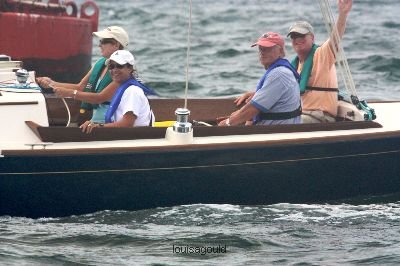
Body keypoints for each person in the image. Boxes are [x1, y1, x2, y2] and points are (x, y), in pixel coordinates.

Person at [36, 26, 130, 123]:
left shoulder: (123, 71)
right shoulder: (100, 63)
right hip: (95, 121)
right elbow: (80, 87)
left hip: (111, 123)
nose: (99, 45)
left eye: (103, 42)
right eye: (100, 42)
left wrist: (69, 93)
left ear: (116, 45)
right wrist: (52, 83)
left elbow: (100, 98)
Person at [287, 0, 353, 123]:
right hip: (302, 113)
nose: (297, 40)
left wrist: (343, 14)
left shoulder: (321, 54)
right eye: (294, 37)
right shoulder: (295, 65)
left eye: (301, 36)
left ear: (312, 38)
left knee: (282, 123)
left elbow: (335, 38)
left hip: (320, 116)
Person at [218, 32, 301, 127]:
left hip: (277, 134)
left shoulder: (279, 74)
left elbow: (252, 109)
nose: (262, 52)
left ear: (281, 51)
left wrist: (228, 123)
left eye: (267, 49)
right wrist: (257, 94)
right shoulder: (281, 71)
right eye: (260, 48)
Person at [80, 50, 155, 133]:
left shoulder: (132, 91)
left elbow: (127, 124)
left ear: (130, 68)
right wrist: (94, 124)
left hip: (137, 139)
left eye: (119, 66)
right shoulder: (124, 89)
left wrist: (99, 126)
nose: (114, 70)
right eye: (111, 67)